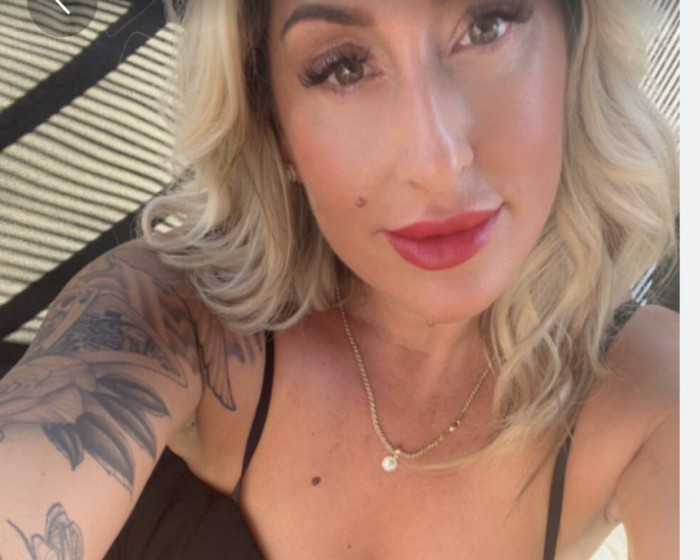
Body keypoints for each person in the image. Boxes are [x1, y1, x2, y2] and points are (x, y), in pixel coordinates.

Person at [0, 0, 678, 558]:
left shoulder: (654, 394)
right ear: (276, 126)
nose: (437, 161)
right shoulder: (166, 317)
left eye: (487, 25)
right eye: (344, 67)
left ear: (575, 41)